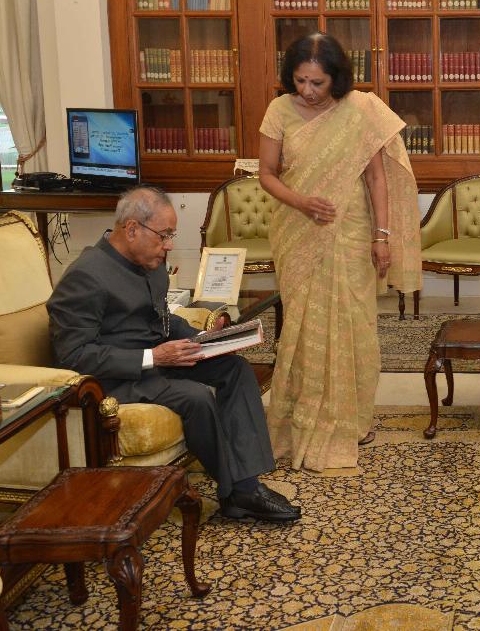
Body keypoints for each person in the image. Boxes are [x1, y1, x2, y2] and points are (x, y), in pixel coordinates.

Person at [48, 186, 301, 523]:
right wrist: (154, 357)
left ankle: (246, 484)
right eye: (164, 235)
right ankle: (239, 492)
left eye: (171, 236)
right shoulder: (85, 276)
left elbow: (163, 320)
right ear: (132, 229)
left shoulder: (150, 263)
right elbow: (74, 356)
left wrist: (206, 339)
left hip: (158, 362)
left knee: (235, 369)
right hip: (116, 378)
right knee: (195, 397)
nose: (169, 245)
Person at [258, 32, 420, 472]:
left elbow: (376, 178)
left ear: (337, 78)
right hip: (298, 231)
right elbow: (267, 174)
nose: (308, 91)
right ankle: (302, 418)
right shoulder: (278, 111)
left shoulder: (360, 110)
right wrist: (301, 203)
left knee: (354, 324)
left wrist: (382, 236)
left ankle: (351, 420)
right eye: (300, 81)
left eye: (318, 83)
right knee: (303, 327)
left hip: (351, 231)